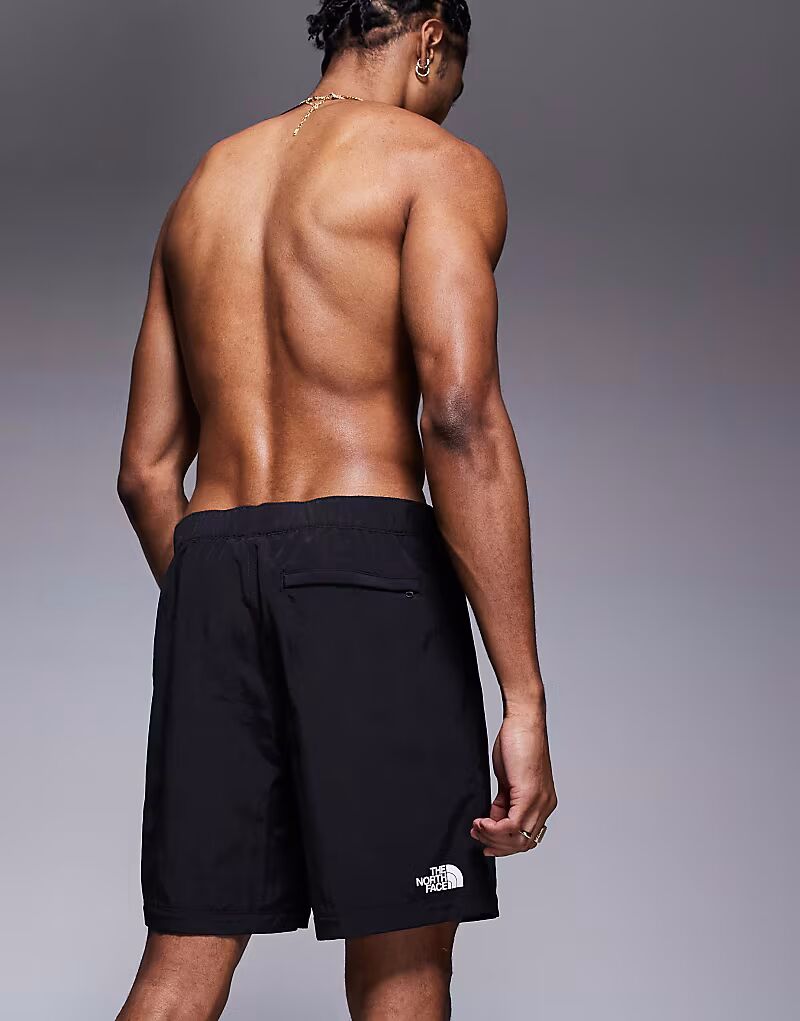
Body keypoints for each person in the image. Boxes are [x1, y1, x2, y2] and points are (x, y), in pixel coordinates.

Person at [115, 2, 556, 1018]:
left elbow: (145, 471)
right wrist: (522, 696)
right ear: (431, 38)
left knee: (179, 966)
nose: (448, 105)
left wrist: (228, 617)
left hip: (211, 566)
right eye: (453, 81)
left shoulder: (207, 183)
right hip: (365, 568)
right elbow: (458, 414)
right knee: (402, 961)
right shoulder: (434, 166)